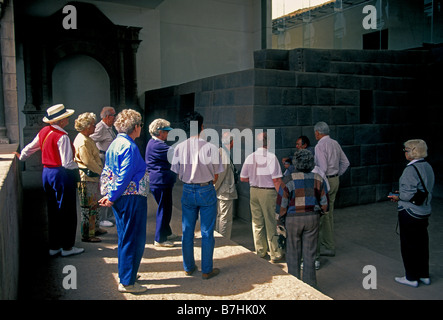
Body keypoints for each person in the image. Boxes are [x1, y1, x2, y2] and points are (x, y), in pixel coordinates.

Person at [13, 104, 84, 257]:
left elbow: (29, 148)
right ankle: (67, 247)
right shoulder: (63, 136)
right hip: (61, 174)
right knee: (67, 210)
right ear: (62, 120)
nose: (68, 119)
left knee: (52, 209)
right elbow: (67, 163)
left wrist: (22, 157)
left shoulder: (44, 131)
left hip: (47, 172)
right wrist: (79, 167)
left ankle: (54, 245)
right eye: (66, 117)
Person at [99, 109, 149, 294]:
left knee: (125, 237)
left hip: (122, 197)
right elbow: (125, 175)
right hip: (131, 198)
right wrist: (111, 196)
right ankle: (127, 281)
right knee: (133, 238)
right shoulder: (130, 146)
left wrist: (111, 195)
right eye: (140, 125)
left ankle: (127, 274)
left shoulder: (115, 143)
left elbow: (111, 172)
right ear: (135, 127)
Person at [170, 111, 223, 280]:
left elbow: (177, 172)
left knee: (187, 230)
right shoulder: (211, 147)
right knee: (207, 232)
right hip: (206, 189)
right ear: (201, 126)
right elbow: (216, 174)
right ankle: (207, 269)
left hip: (187, 189)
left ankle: (188, 267)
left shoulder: (179, 147)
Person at [276, 149, 329, 287]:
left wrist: (280, 219)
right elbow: (324, 203)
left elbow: (281, 204)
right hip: (312, 218)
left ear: (295, 163)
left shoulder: (287, 180)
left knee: (293, 253)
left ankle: (295, 286)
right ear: (311, 163)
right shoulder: (318, 178)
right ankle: (310, 286)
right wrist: (320, 213)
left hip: (292, 219)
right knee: (310, 254)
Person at [388, 139, 435, 287]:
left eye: (406, 150)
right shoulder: (427, 166)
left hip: (410, 212)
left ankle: (411, 277)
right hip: (424, 211)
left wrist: (398, 196)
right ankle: (424, 274)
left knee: (409, 245)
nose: (405, 152)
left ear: (413, 151)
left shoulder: (410, 169)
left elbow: (407, 195)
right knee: (422, 243)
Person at [240, 132, 284, 263]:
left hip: (254, 191)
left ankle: (260, 250)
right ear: (268, 143)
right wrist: (282, 197)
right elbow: (276, 180)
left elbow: (243, 178)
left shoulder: (250, 157)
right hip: (268, 192)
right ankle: (275, 253)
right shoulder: (271, 157)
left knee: (257, 222)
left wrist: (254, 178)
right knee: (271, 221)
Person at [314, 121, 350, 257]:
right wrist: (336, 174)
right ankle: (328, 244)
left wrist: (323, 182)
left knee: (323, 214)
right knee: (329, 213)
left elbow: (322, 168)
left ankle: (327, 245)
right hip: (335, 179)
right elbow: (346, 162)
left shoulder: (320, 146)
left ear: (317, 132)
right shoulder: (335, 143)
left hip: (325, 180)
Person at [145, 118, 178, 248]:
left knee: (166, 207)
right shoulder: (159, 146)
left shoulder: (152, 143)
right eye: (166, 131)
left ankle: (166, 232)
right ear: (159, 132)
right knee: (164, 209)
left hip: (161, 181)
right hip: (160, 181)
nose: (167, 134)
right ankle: (160, 239)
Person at [73, 112, 104, 243]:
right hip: (87, 177)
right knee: (88, 207)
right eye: (92, 125)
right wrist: (101, 172)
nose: (95, 127)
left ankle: (94, 228)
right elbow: (88, 161)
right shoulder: (82, 141)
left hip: (92, 177)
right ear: (86, 127)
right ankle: (87, 234)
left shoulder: (87, 138)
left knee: (94, 204)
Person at [89, 106, 117, 228]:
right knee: (106, 186)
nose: (115, 118)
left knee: (111, 185)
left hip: (110, 158)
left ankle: (109, 214)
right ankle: (102, 217)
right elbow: (90, 139)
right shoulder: (100, 127)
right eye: (113, 115)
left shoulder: (109, 127)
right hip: (104, 158)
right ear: (107, 117)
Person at [214, 132, 238, 239]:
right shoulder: (223, 154)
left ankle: (220, 237)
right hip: (224, 191)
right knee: (225, 217)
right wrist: (214, 189)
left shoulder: (223, 152)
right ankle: (224, 239)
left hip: (222, 189)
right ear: (231, 142)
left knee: (221, 215)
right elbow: (220, 175)